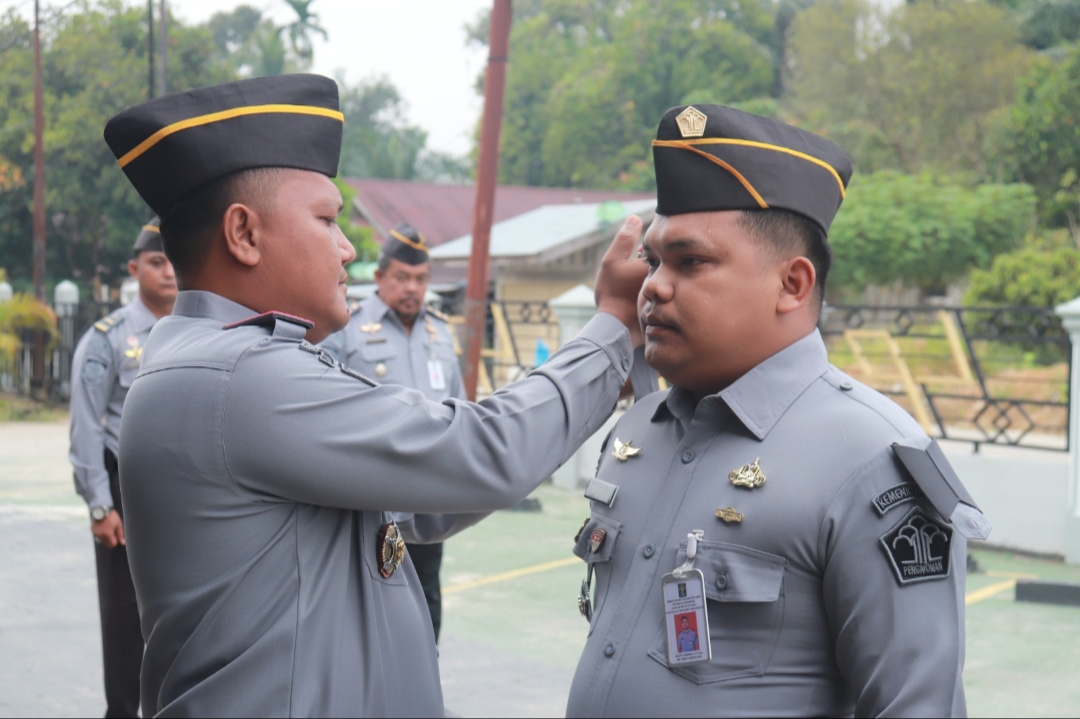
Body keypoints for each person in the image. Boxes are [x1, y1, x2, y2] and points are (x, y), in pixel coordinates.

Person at [102, 74, 646, 717]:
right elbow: (482, 452)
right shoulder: (237, 378)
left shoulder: (213, 362)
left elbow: (429, 503)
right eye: (327, 221)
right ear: (244, 234)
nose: (347, 247)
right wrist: (611, 325)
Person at [566, 104, 991, 718]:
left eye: (691, 262)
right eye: (654, 262)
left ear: (792, 285)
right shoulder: (639, 428)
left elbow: (913, 704)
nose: (653, 286)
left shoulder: (870, 458)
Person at [321, 222, 460, 643]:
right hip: (367, 503)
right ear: (379, 278)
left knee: (425, 610)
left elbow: (459, 412)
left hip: (425, 502)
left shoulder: (441, 334)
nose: (411, 287)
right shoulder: (346, 328)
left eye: (420, 278)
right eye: (401, 277)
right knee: (364, 614)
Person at [68, 218, 176, 717]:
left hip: (185, 490)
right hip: (123, 490)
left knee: (182, 612)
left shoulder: (199, 331)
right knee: (123, 616)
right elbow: (87, 426)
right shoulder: (105, 339)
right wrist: (98, 504)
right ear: (135, 270)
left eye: (175, 259)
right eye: (157, 262)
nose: (169, 272)